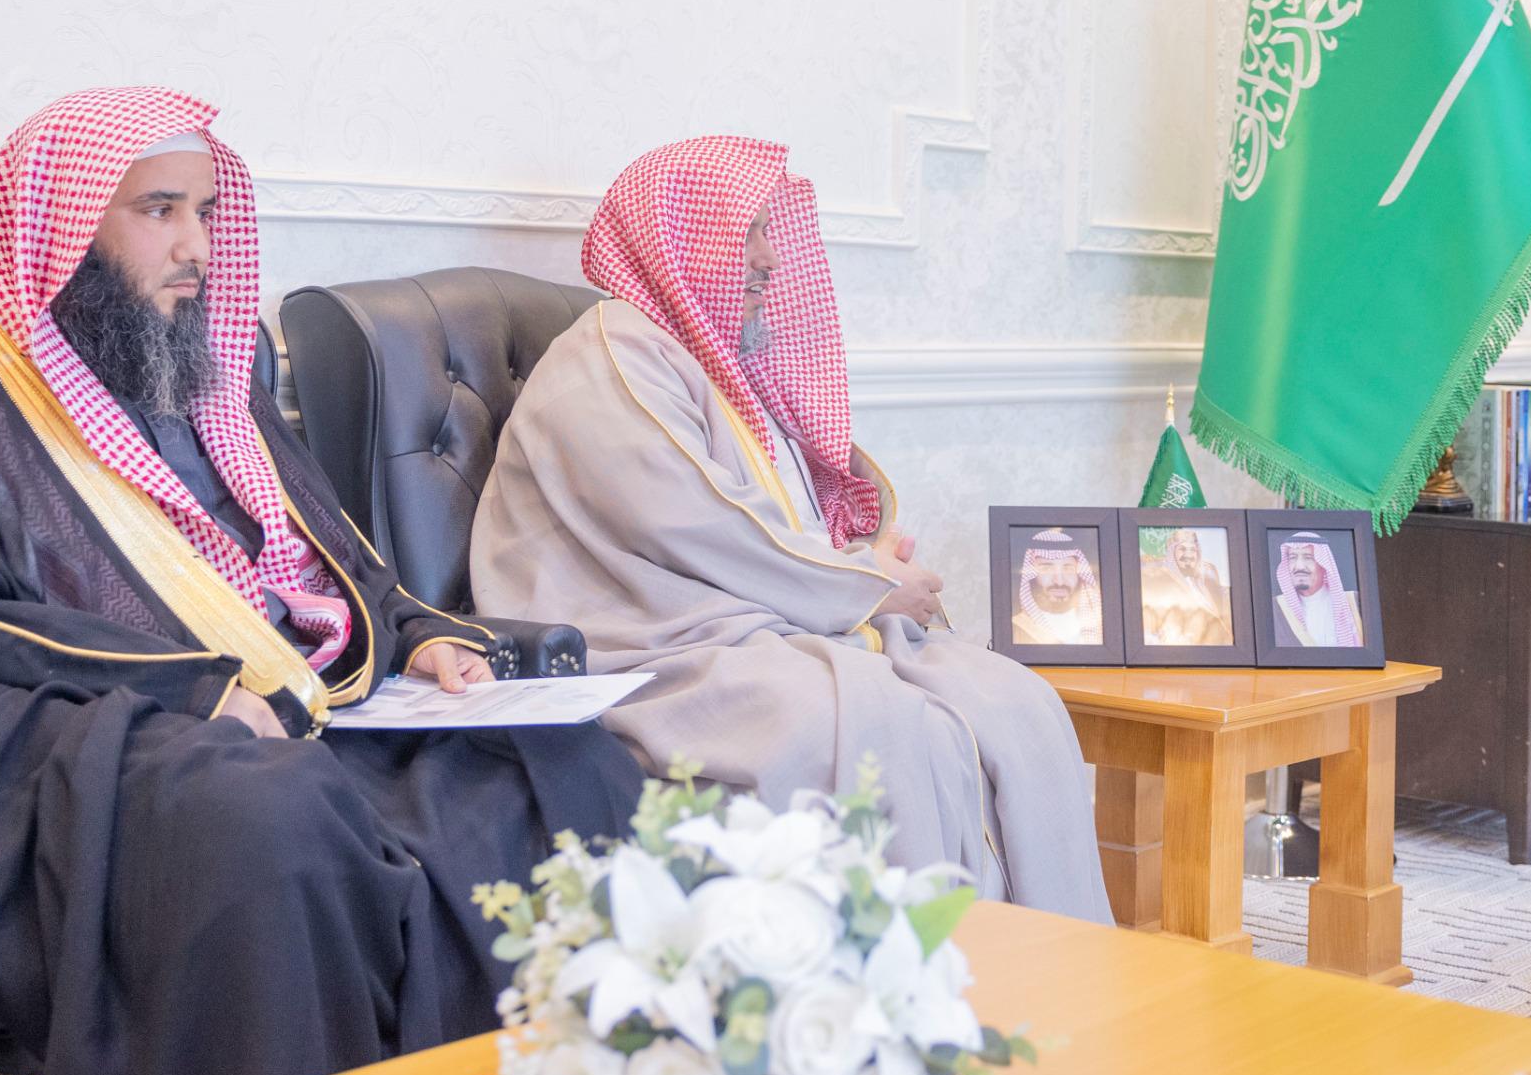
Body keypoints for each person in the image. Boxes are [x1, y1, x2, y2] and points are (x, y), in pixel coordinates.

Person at [0, 87, 644, 1075]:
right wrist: (193, 690)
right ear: (62, 222)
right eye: (158, 209)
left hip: (297, 712)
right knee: (269, 816)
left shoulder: (205, 370)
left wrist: (421, 637)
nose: (195, 245)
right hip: (97, 725)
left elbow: (333, 560)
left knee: (565, 759)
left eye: (204, 210)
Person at [467, 135, 1110, 920]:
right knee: (880, 727)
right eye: (749, 234)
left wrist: (859, 561)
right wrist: (867, 584)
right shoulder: (612, 356)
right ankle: (919, 980)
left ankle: (1055, 971)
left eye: (769, 233)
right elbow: (699, 527)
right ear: (681, 239)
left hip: (752, 618)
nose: (769, 260)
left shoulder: (717, 367)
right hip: (647, 642)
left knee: (1016, 701)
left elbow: (769, 525)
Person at [1138, 526, 1234, 647]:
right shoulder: (1160, 581)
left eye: (1193, 550)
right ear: (1172, 554)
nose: (1188, 554)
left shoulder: (1207, 579)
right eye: (1182, 549)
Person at [1012, 529, 1104, 648]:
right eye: (1046, 569)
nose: (1059, 581)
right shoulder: (1016, 629)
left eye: (1068, 568)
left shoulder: (1102, 628)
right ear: (1031, 575)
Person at [1270, 532, 1361, 648]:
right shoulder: (1275, 609)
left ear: (1324, 565)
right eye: (1292, 558)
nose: (1299, 566)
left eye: (1308, 558)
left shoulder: (1355, 602)